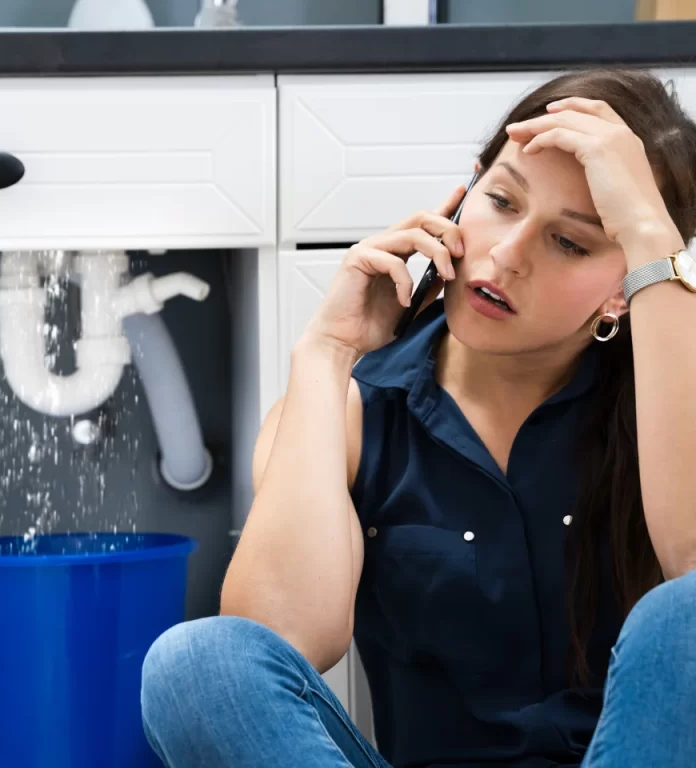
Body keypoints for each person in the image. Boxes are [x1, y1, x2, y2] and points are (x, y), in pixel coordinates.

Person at [140, 69, 696, 768]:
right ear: (463, 193)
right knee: (198, 662)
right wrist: (326, 351)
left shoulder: (670, 393)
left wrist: (649, 233)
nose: (506, 253)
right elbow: (275, 647)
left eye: (571, 242)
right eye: (500, 200)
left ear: (622, 289)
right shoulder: (350, 409)